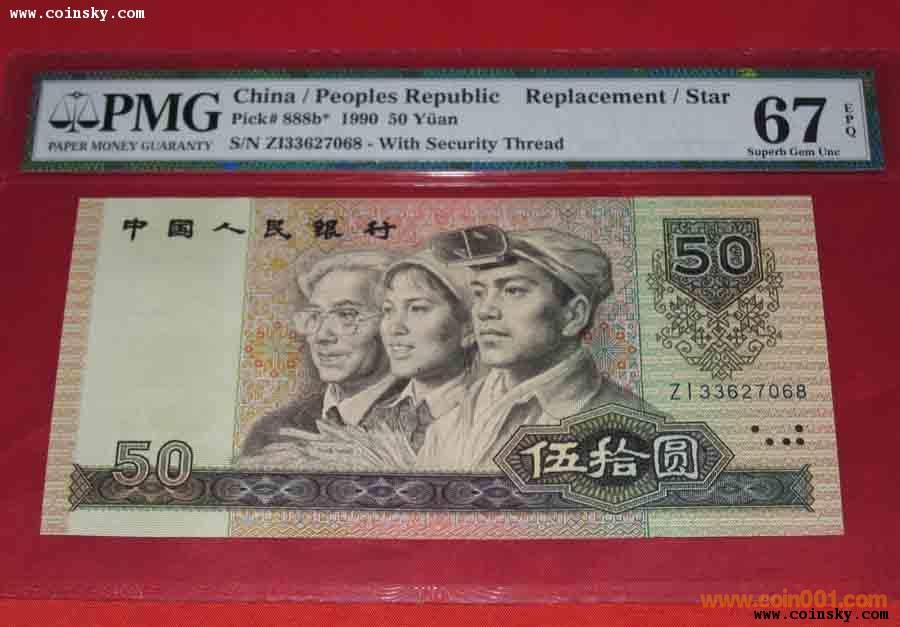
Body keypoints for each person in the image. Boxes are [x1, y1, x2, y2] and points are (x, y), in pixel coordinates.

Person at [428, 226, 646, 471]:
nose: (484, 311)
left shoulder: (632, 430)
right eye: (479, 293)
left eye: (513, 291)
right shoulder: (453, 419)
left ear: (574, 315)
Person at [239, 250, 407, 463]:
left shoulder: (429, 423)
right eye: (315, 316)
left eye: (347, 315)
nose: (321, 336)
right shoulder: (272, 430)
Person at [373, 249, 478, 466]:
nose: (394, 328)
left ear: (468, 328)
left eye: (417, 309)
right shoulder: (375, 417)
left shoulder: (485, 415)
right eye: (388, 310)